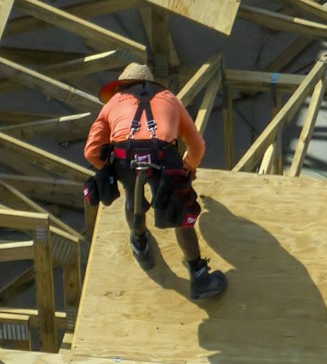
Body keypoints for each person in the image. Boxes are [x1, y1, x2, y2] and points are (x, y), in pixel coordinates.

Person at [85, 62, 228, 300]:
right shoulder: (170, 98)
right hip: (163, 155)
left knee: (132, 196)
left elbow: (91, 151)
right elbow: (197, 146)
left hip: (125, 155)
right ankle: (199, 276)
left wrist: (108, 170)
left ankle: (140, 244)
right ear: (150, 84)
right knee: (180, 213)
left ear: (122, 86)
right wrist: (188, 167)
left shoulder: (112, 104)